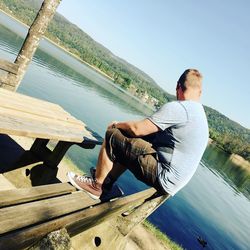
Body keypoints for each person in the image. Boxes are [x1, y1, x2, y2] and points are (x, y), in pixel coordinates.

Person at [67, 69, 209, 199]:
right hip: (174, 182)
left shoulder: (180, 108)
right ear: (200, 92)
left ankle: (96, 186)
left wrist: (117, 125)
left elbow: (137, 129)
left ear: (178, 86)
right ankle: (107, 182)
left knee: (112, 134)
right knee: (133, 141)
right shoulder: (200, 116)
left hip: (164, 176)